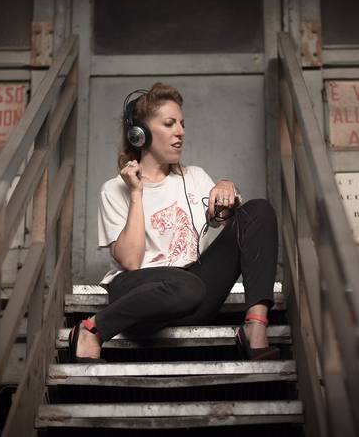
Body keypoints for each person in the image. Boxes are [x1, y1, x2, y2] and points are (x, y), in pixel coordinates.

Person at [68, 82, 279, 363]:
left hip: (193, 295)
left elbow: (240, 229)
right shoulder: (114, 189)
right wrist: (136, 193)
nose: (180, 132)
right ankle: (90, 329)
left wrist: (227, 189)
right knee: (186, 285)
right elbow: (130, 261)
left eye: (182, 123)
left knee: (258, 211)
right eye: (169, 124)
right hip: (138, 295)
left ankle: (254, 327)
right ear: (140, 134)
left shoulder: (195, 177)